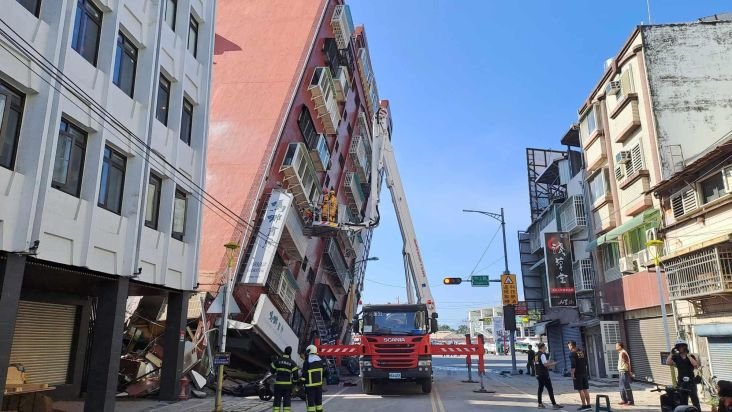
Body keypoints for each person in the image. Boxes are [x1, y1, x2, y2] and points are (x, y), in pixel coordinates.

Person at [666, 339, 700, 410]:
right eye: (679, 347)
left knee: (695, 400)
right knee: (683, 401)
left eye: (682, 346)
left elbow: (696, 365)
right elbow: (668, 362)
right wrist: (672, 353)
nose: (680, 348)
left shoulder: (690, 357)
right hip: (681, 382)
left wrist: (688, 355)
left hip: (691, 381)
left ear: (685, 347)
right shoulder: (676, 357)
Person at [270, 346, 299, 412]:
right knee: (287, 401)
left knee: (277, 401)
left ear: (284, 351)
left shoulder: (277, 361)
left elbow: (272, 371)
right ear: (290, 353)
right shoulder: (292, 363)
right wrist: (294, 384)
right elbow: (295, 375)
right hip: (287, 386)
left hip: (278, 385)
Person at [534, 343, 564, 409]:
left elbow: (538, 364)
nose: (546, 348)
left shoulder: (536, 355)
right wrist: (553, 363)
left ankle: (540, 404)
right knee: (550, 389)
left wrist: (548, 363)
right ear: (542, 347)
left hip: (538, 374)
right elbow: (545, 365)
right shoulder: (542, 355)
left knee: (540, 389)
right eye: (545, 347)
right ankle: (554, 404)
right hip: (544, 375)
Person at [568, 341, 591, 411]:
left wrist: (572, 374)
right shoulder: (581, 352)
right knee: (585, 389)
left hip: (577, 374)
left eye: (569, 346)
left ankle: (583, 405)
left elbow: (573, 364)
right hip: (584, 372)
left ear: (571, 346)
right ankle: (588, 405)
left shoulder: (572, 353)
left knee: (580, 390)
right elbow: (585, 361)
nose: (568, 347)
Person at [303, 344, 325, 412]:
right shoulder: (320, 361)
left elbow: (304, 374)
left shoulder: (307, 362)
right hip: (319, 385)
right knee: (319, 402)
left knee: (311, 402)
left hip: (310, 386)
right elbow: (324, 372)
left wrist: (301, 381)